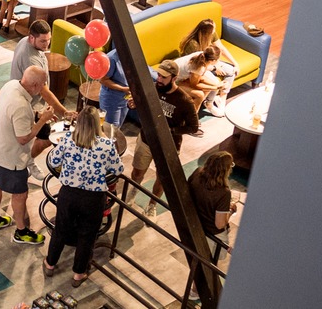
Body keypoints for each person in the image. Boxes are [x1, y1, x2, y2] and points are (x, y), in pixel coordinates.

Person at [43, 108, 123, 286]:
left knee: (60, 230)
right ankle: (78, 274)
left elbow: (54, 161)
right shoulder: (106, 145)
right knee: (87, 236)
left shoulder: (67, 140)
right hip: (93, 198)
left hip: (69, 194)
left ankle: (50, 264)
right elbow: (118, 169)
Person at [0, 65, 55, 246]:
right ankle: (21, 231)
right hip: (11, 159)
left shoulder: (10, 86)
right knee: (20, 194)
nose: (43, 88)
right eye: (43, 84)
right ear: (34, 85)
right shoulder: (21, 106)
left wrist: (38, 115)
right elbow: (23, 138)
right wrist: (43, 120)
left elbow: (15, 116)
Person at [127, 60, 201, 217]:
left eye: (164, 77)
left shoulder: (184, 100)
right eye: (159, 75)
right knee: (137, 172)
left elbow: (194, 127)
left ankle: (152, 205)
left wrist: (171, 130)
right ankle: (133, 192)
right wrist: (133, 104)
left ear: (174, 78)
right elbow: (140, 104)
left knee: (162, 179)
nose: (159, 79)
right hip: (146, 139)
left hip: (168, 146)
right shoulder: (151, 88)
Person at [10, 20, 74, 177]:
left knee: (35, 138)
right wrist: (64, 113)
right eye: (43, 41)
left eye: (48, 40)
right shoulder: (30, 59)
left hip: (32, 104)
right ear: (32, 38)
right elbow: (44, 91)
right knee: (44, 137)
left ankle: (26, 162)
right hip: (27, 107)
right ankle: (21, 166)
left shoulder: (25, 41)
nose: (47, 44)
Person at [179, 18, 240, 98]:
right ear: (206, 33)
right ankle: (209, 102)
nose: (214, 31)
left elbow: (221, 48)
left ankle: (222, 98)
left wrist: (235, 63)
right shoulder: (192, 44)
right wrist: (215, 68)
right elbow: (197, 65)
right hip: (198, 67)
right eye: (213, 30)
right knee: (215, 82)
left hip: (210, 61)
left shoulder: (212, 33)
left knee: (231, 71)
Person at [188, 151, 237, 241]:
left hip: (194, 224)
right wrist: (231, 211)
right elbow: (220, 224)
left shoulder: (197, 173)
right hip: (213, 234)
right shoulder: (224, 193)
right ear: (226, 170)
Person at [174, 46, 228, 115]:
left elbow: (200, 78)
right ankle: (192, 116)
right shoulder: (199, 67)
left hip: (180, 77)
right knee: (199, 95)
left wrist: (217, 85)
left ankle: (189, 110)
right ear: (213, 61)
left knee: (210, 86)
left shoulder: (202, 55)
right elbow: (194, 85)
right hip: (172, 81)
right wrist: (216, 88)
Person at [97, 50, 134, 127]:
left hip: (125, 97)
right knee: (110, 128)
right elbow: (103, 80)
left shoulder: (131, 54)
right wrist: (123, 89)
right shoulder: (112, 58)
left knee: (118, 128)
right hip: (111, 99)